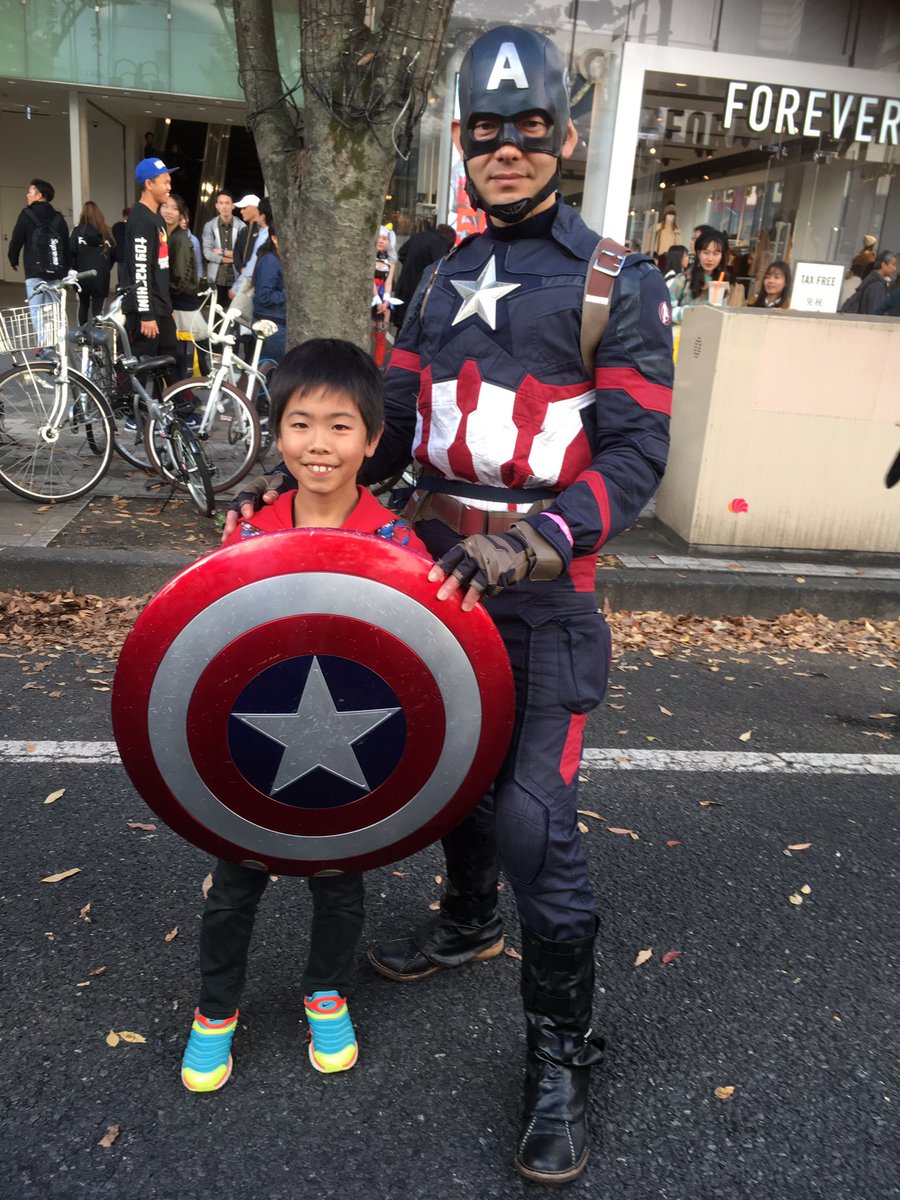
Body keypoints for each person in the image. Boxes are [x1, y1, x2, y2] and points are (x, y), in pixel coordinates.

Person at [225, 24, 672, 1184]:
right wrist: (306, 474)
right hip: (426, 581)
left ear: (568, 137)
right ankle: (471, 917)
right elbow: (394, 419)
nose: (508, 149)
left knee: (533, 820)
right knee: (445, 774)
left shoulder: (619, 281)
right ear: (464, 139)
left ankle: (560, 1058)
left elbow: (635, 456)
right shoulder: (437, 272)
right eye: (487, 131)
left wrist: (541, 539)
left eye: (531, 128)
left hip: (546, 598)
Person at [179, 338, 428, 1094]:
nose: (319, 444)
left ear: (372, 440)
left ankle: (326, 993)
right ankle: (215, 1010)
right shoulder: (250, 531)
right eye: (301, 423)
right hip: (256, 742)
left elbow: (423, 661)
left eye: (340, 426)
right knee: (234, 885)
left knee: (339, 883)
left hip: (358, 743)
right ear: (277, 431)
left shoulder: (397, 545)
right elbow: (209, 640)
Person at [119, 157, 179, 369]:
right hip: (145, 311)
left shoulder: (155, 217)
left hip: (159, 306)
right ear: (149, 184)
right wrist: (146, 315)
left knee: (171, 361)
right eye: (165, 182)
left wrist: (166, 306)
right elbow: (140, 269)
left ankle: (177, 393)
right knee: (139, 369)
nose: (169, 187)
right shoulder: (141, 220)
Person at [7, 178, 70, 353]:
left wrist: (13, 259)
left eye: (30, 192)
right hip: (56, 272)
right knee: (51, 310)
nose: (27, 195)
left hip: (34, 271)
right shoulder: (58, 218)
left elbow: (16, 240)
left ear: (39, 195)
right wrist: (66, 269)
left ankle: (44, 346)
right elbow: (66, 245)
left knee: (36, 310)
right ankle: (52, 344)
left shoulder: (26, 215)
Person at [160, 193, 202, 380]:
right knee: (177, 349)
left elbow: (180, 275)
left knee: (178, 349)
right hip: (175, 298)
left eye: (174, 208)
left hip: (179, 300)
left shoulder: (180, 238)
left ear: (181, 214)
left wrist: (167, 296)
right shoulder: (167, 235)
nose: (168, 211)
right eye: (165, 206)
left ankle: (182, 390)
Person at [667, 226, 730, 322]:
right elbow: (664, 310)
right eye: (706, 252)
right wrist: (692, 313)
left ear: (722, 256)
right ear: (699, 253)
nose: (710, 258)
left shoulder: (722, 283)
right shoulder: (683, 279)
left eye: (716, 254)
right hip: (684, 331)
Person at [69, 200, 115, 324]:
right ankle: (97, 332)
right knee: (98, 309)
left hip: (82, 276)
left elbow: (71, 252)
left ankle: (82, 332)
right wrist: (105, 267)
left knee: (83, 304)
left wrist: (74, 269)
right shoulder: (107, 232)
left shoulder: (77, 231)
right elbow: (113, 254)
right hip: (101, 276)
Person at [202, 190, 245, 313]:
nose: (224, 206)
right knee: (215, 316)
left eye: (227, 203)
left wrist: (221, 251)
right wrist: (234, 259)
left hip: (236, 279)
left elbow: (243, 254)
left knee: (234, 316)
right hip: (216, 279)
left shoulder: (242, 227)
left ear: (233, 206)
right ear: (216, 206)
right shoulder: (209, 226)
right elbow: (207, 253)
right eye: (221, 203)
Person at [252, 224, 286, 363]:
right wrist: (289, 294)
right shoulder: (270, 260)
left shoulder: (276, 258)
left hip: (274, 322)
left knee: (267, 368)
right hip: (272, 325)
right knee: (274, 367)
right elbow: (264, 296)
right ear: (274, 239)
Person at [843, 250, 896, 315]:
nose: (895, 268)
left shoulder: (870, 279)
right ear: (883, 265)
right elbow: (876, 314)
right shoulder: (877, 286)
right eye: (893, 264)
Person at [371, 226, 396, 366]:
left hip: (382, 301)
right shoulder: (369, 257)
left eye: (384, 238)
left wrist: (386, 300)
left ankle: (378, 366)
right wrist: (376, 299)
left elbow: (389, 282)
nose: (381, 241)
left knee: (381, 334)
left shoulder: (390, 262)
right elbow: (370, 280)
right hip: (369, 297)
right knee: (367, 334)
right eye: (379, 237)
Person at [111, 207, 131, 288]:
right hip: (132, 257)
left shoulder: (116, 227)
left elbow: (113, 241)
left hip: (121, 256)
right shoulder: (134, 227)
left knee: (122, 282)